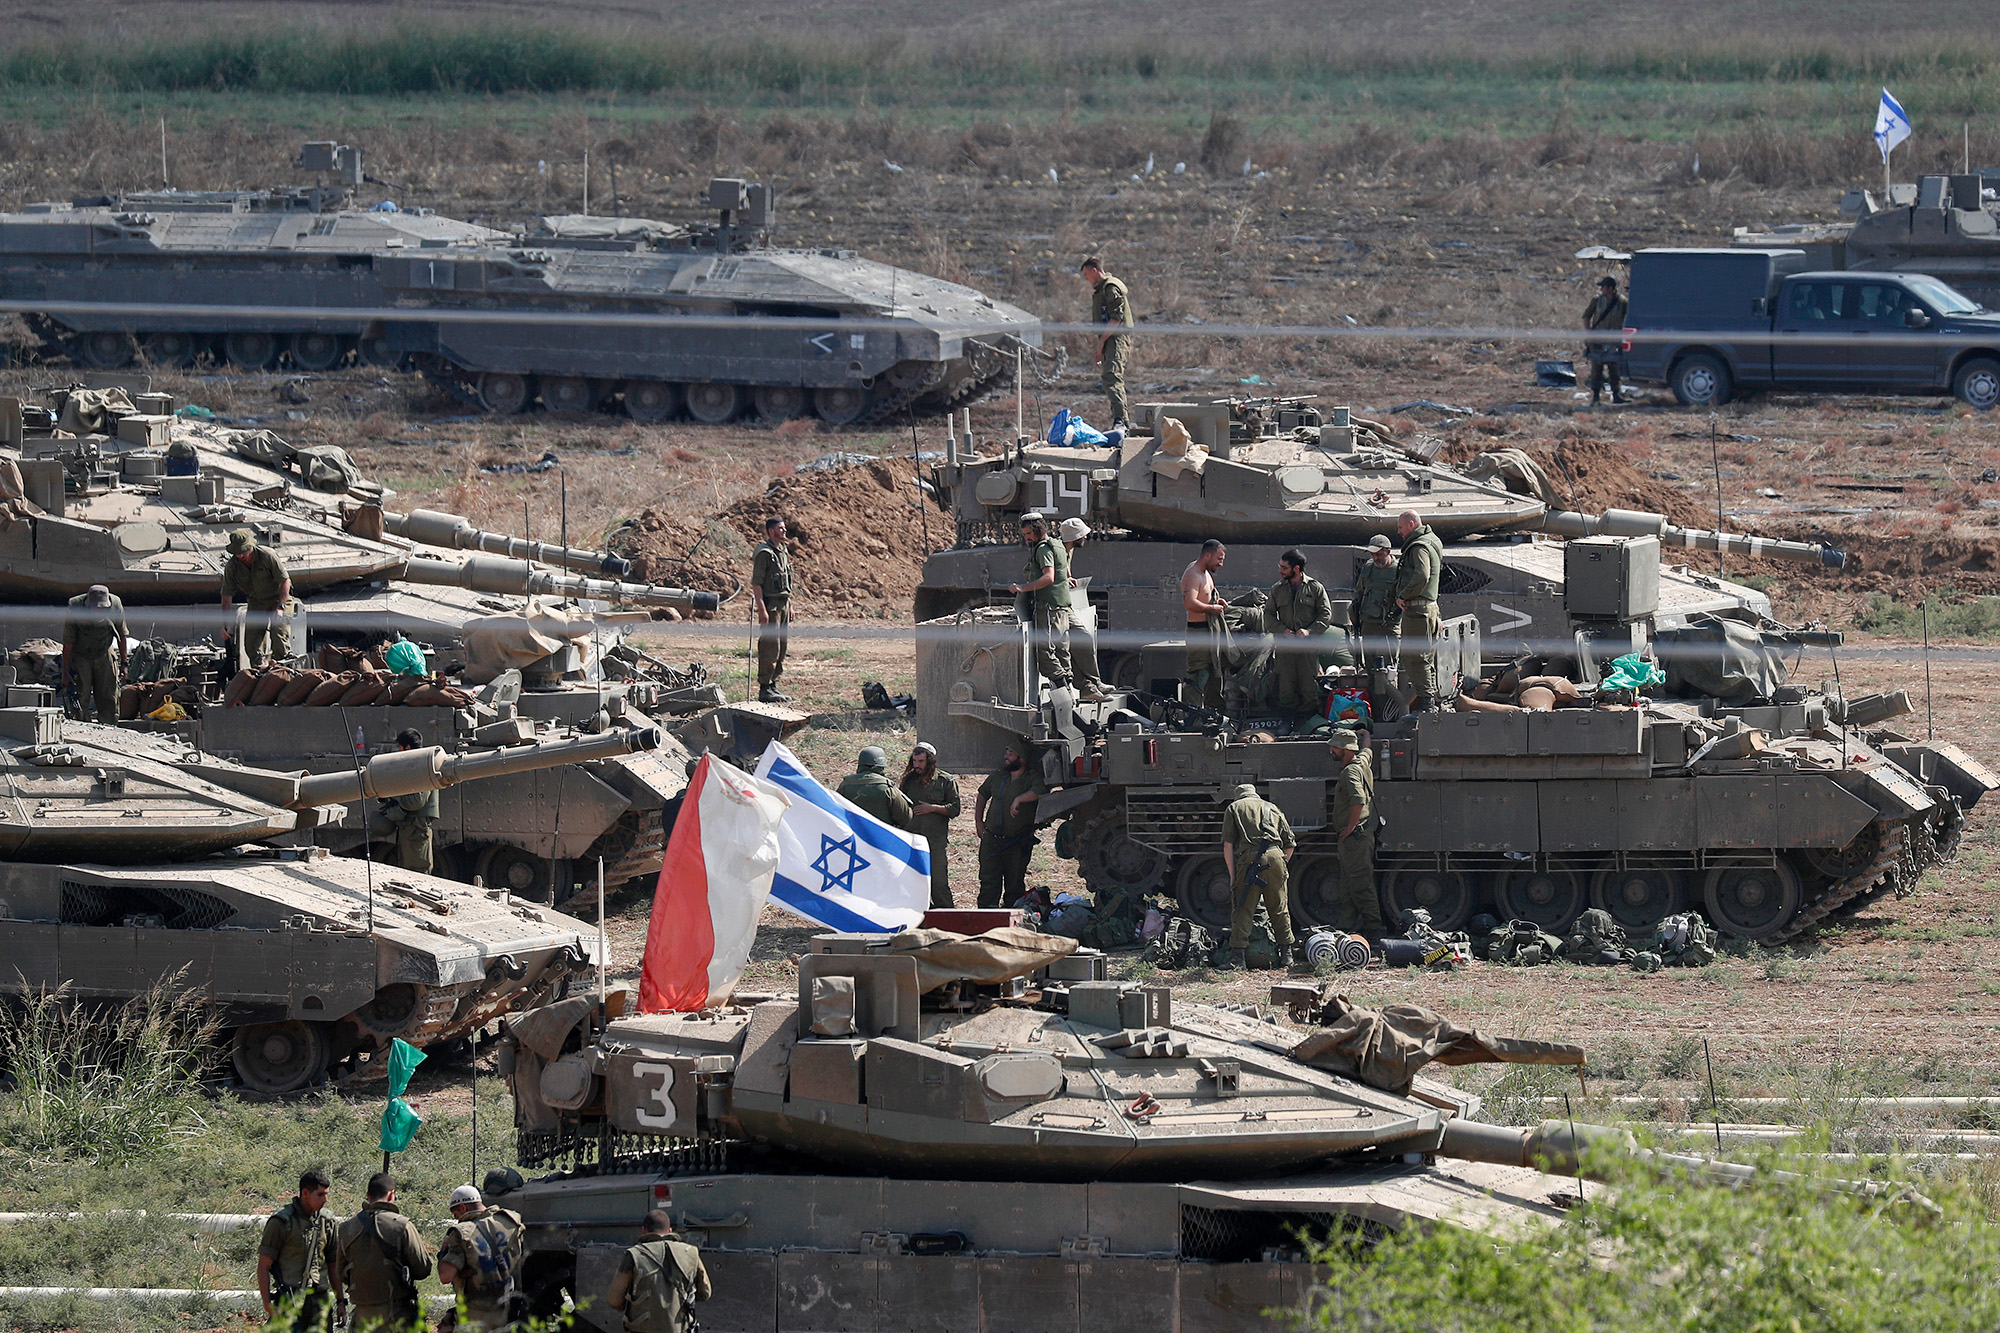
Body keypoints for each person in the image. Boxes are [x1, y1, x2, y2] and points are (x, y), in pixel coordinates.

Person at [337, 1172, 434, 1333]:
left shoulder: (346, 1229)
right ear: (391, 1195)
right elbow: (423, 1268)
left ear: (368, 1196)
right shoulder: (402, 1225)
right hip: (396, 1317)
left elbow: (341, 1274)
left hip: (362, 1318)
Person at [1218, 783, 1298, 971]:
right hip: (1276, 857)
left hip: (1250, 860)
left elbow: (1227, 845)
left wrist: (1232, 876)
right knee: (1279, 907)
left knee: (1243, 908)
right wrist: (1280, 864)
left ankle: (1238, 959)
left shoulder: (1234, 808)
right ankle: (1287, 956)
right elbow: (1290, 843)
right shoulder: (1272, 808)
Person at [257, 1168, 343, 1330]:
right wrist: (268, 1304)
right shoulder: (282, 1222)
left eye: (326, 1194)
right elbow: (264, 1265)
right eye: (320, 1195)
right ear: (305, 1193)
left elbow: (333, 1264)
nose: (325, 1200)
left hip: (320, 1302)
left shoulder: (327, 1222)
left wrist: (340, 1301)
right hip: (290, 1300)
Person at [437, 1183, 524, 1332]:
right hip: (510, 1310)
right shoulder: (511, 1221)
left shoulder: (462, 1233)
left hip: (476, 1315)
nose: (457, 1218)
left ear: (463, 1208)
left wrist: (444, 1249)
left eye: (456, 1214)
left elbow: (446, 1276)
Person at [607, 1210, 711, 1333]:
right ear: (670, 1231)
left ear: (644, 1231)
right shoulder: (690, 1252)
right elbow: (705, 1292)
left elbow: (614, 1299)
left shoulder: (633, 1255)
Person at [1328, 729, 1383, 942]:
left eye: (1335, 747)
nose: (1331, 750)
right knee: (1349, 884)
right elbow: (1368, 750)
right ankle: (1345, 926)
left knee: (1361, 885)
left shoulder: (1350, 772)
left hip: (1355, 838)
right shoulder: (1361, 762)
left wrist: (1350, 828)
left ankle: (1375, 930)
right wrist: (1366, 734)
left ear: (1346, 750)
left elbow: (1358, 800)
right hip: (1360, 836)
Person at [1266, 549, 1335, 720]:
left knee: (1308, 688)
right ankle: (1287, 721)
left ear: (1296, 569)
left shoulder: (1315, 588)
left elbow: (1325, 615)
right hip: (1285, 647)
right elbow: (1267, 615)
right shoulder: (1277, 589)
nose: (1280, 570)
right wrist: (1282, 630)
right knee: (1286, 688)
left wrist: (1309, 631)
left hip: (1308, 648)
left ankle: (1308, 722)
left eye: (1284, 567)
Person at [1007, 513, 1074, 692]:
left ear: (1038, 530)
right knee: (1061, 651)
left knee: (1044, 654)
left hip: (1048, 608)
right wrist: (1067, 577)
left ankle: (1063, 690)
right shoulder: (1058, 544)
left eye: (1029, 533)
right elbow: (1064, 567)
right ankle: (1068, 689)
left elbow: (1048, 577)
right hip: (1061, 608)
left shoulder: (1043, 549)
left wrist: (1022, 588)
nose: (1027, 538)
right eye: (1025, 534)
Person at [975, 743, 1044, 909]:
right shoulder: (998, 776)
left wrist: (1019, 799)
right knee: (988, 884)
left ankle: (1011, 924)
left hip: (1016, 842)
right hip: (992, 840)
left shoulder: (1030, 778)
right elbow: (983, 794)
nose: (1006, 757)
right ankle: (986, 920)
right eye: (1006, 753)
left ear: (1022, 759)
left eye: (1011, 754)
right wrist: (978, 822)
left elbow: (1040, 790)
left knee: (1014, 887)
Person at [367, 728, 440, 873]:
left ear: (407, 747)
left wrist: (393, 795)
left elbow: (416, 801)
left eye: (400, 747)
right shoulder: (415, 764)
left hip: (416, 827)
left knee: (418, 871)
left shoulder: (421, 765)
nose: (398, 751)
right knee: (407, 869)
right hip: (410, 828)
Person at [1393, 510, 1445, 713]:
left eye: (1400, 527)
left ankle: (1427, 703)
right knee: (1425, 657)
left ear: (1412, 524)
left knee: (1416, 657)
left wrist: (1404, 595)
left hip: (1418, 610)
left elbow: (1422, 575)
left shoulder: (1418, 546)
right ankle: (1429, 699)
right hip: (1430, 608)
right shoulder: (1433, 541)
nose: (1399, 532)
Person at [900, 742, 962, 909]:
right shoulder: (909, 781)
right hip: (912, 840)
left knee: (939, 884)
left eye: (921, 761)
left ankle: (948, 919)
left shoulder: (945, 781)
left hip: (935, 842)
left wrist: (932, 808)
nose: (917, 765)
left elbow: (955, 809)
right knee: (914, 883)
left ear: (930, 761)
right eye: (914, 761)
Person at [220, 528, 293, 664]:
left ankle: (283, 666)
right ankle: (259, 668)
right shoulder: (232, 566)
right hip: (257, 602)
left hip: (279, 598)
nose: (241, 555)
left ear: (251, 546)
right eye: (237, 553)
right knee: (251, 643)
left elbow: (285, 581)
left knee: (278, 632)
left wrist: (281, 607)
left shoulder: (267, 556)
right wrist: (226, 624)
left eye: (244, 551)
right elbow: (227, 596)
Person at [1056, 517, 1110, 702]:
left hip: (1065, 605)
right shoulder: (1059, 551)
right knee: (1083, 639)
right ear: (1076, 535)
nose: (1085, 537)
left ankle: (1089, 687)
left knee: (1073, 646)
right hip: (1056, 607)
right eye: (1083, 535)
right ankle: (1094, 682)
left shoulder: (1068, 551)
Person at [61, 583, 128, 723]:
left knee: (108, 695)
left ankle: (109, 726)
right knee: (81, 696)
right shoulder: (75, 607)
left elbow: (122, 635)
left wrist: (124, 663)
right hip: (81, 654)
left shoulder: (115, 605)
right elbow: (68, 643)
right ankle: (81, 726)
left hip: (105, 651)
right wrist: (65, 672)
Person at [1079, 256, 1133, 429]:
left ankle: (1121, 421)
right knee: (1110, 377)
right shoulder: (1102, 289)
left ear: (1094, 271)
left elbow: (1116, 318)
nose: (1086, 279)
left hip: (1116, 337)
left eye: (1087, 274)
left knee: (1111, 376)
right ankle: (1120, 419)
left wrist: (1101, 343)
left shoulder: (1110, 287)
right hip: (1111, 338)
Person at [1180, 539, 1229, 709]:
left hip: (1210, 632)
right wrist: (1211, 608)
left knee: (1214, 674)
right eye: (1219, 559)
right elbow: (1189, 603)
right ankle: (1192, 716)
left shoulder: (1205, 572)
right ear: (1208, 555)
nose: (1221, 564)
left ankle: (1210, 713)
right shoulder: (1193, 574)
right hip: (1198, 633)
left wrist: (1217, 601)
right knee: (1198, 676)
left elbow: (1203, 595)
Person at [750, 516, 793, 703]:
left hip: (783, 604)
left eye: (784, 528)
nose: (784, 531)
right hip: (771, 606)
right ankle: (765, 687)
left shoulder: (782, 551)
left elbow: (786, 580)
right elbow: (757, 583)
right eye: (780, 528)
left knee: (781, 647)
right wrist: (762, 610)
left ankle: (774, 684)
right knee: (770, 646)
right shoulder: (764, 553)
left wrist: (790, 605)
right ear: (771, 531)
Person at [1351, 534, 1401, 697]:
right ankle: (1375, 706)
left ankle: (1391, 707)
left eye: (1379, 554)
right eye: (1372, 554)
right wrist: (1354, 613)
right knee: (1372, 670)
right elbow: (1359, 591)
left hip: (1388, 627)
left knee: (1389, 670)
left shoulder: (1399, 571)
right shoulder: (1369, 567)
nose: (1375, 557)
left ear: (1388, 551)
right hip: (1368, 625)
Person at [837, 745, 913, 829]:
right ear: (881, 765)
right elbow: (905, 818)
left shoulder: (845, 785)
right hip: (880, 837)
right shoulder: (887, 788)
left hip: (854, 836)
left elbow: (835, 811)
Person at [1583, 275, 1630, 406]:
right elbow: (1586, 317)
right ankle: (1596, 397)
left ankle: (1616, 395)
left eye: (1603, 287)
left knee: (1615, 370)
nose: (1602, 289)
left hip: (1615, 340)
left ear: (1611, 288)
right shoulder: (1597, 300)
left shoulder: (1622, 302)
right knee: (1596, 369)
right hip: (1598, 339)